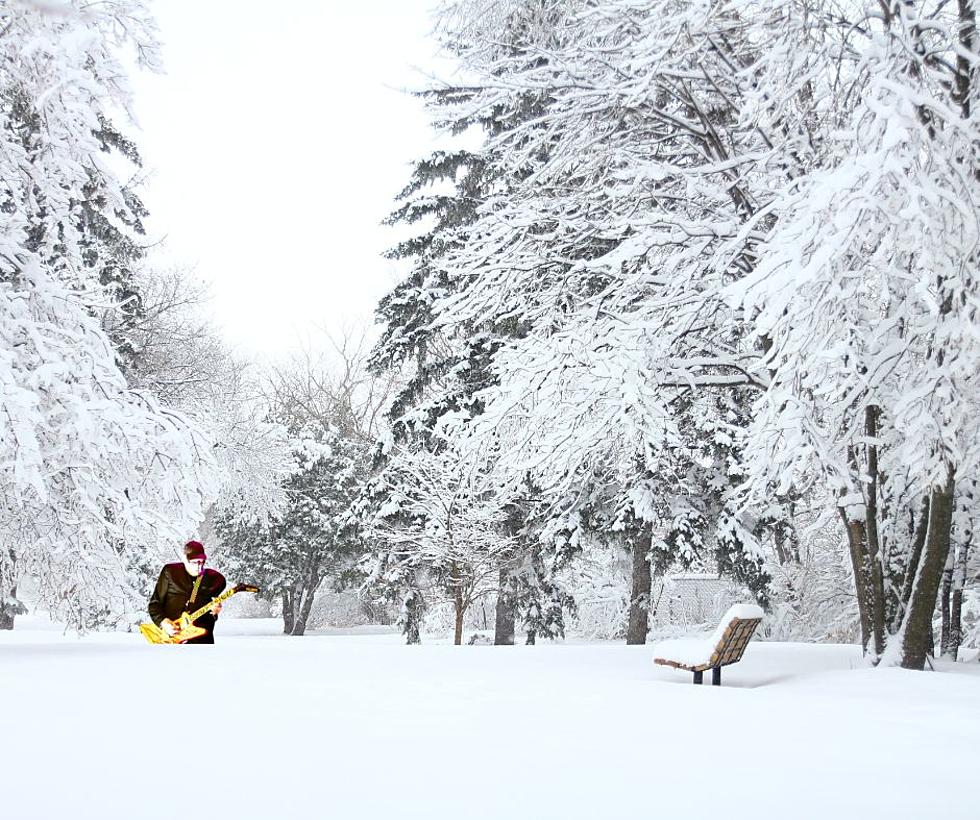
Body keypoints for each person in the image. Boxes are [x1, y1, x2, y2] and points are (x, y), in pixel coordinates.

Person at [147, 540, 227, 644]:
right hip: (170, 640)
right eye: (194, 562)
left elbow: (209, 615)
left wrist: (215, 612)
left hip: (201, 642)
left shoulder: (215, 580)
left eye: (202, 562)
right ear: (184, 559)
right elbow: (154, 605)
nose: (199, 567)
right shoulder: (170, 573)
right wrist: (163, 622)